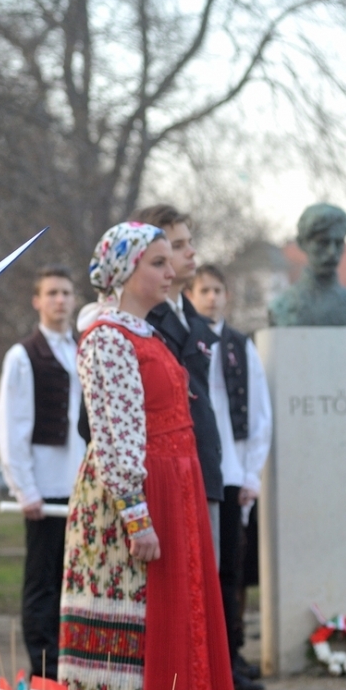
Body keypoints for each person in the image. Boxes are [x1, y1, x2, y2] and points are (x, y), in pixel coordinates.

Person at [58, 222, 239, 690]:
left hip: (171, 483)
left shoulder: (140, 330)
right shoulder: (107, 336)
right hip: (132, 492)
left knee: (164, 625)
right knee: (133, 635)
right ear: (129, 271)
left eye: (168, 261)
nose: (170, 272)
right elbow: (113, 432)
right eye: (158, 262)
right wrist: (135, 512)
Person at [0, 267, 85, 679]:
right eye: (51, 293)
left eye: (66, 293)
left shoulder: (84, 348)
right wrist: (24, 487)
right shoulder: (23, 355)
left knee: (76, 582)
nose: (60, 300)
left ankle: (71, 661)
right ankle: (44, 668)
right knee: (43, 582)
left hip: (81, 485)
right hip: (44, 488)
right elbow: (11, 425)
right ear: (37, 300)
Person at [186, 264, 272, 690]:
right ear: (192, 293)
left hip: (234, 470)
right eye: (204, 289)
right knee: (199, 569)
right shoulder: (186, 340)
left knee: (232, 571)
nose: (212, 297)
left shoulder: (241, 346)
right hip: (198, 470)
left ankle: (231, 653)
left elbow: (259, 414)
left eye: (219, 290)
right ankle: (203, 657)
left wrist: (252, 473)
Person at [132, 205, 224, 564]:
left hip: (203, 469)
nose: (191, 253)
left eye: (190, 242)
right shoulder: (138, 322)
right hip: (163, 479)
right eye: (178, 244)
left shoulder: (194, 320)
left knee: (210, 586)